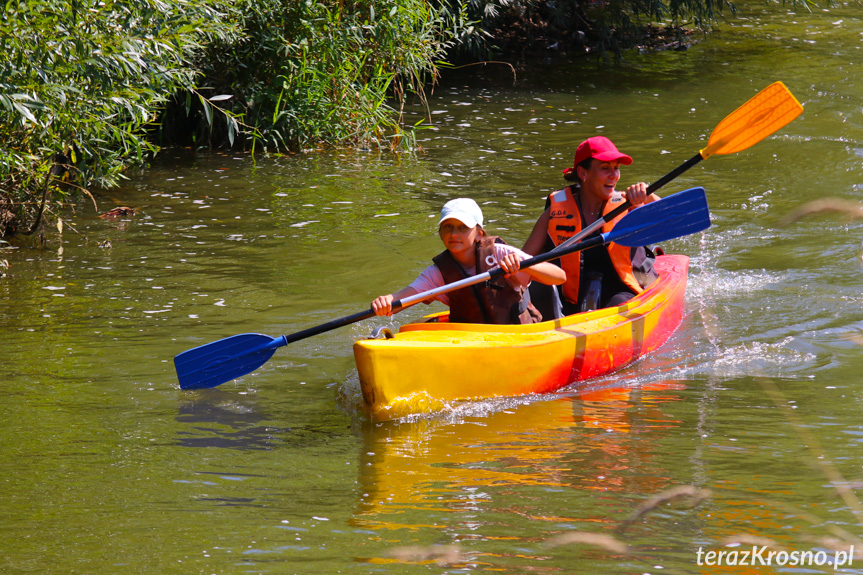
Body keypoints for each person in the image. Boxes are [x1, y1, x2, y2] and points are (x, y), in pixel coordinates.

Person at [522, 136, 660, 316]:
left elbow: (673, 221)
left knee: (619, 304)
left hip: (621, 292)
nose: (614, 175)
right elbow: (525, 260)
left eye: (616, 168)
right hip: (570, 297)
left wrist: (648, 197)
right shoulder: (556, 211)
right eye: (605, 168)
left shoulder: (629, 204)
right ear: (583, 173)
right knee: (538, 290)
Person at [371, 198, 566, 324]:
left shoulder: (499, 253)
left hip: (519, 336)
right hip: (474, 340)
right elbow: (402, 298)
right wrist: (385, 301)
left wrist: (525, 266)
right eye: (447, 227)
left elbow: (560, 277)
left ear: (479, 234)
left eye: (462, 227)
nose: (454, 234)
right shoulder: (437, 273)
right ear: (440, 234)